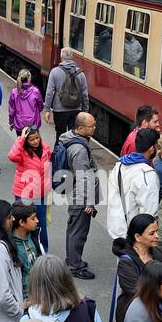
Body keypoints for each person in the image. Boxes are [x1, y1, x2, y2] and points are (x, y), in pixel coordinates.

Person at [58, 111, 99, 280]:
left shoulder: (69, 137)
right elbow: (84, 177)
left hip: (73, 190)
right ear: (80, 128)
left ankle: (71, 260)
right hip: (80, 196)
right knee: (78, 232)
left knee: (73, 228)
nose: (94, 128)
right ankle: (75, 266)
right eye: (92, 126)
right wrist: (89, 202)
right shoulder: (79, 150)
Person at [109, 127, 160, 234]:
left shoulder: (118, 167)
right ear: (151, 149)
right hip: (134, 235)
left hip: (116, 228)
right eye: (157, 146)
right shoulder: (147, 174)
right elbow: (149, 212)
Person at [8, 127, 51, 250]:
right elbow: (12, 156)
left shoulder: (45, 149)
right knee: (22, 224)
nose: (35, 141)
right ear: (26, 141)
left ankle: (42, 250)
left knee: (40, 223)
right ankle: (22, 249)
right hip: (24, 194)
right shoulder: (21, 151)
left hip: (40, 194)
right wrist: (21, 139)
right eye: (31, 139)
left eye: (37, 138)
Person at [44, 48, 89, 138]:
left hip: (59, 110)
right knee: (74, 136)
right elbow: (84, 94)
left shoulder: (55, 71)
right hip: (76, 109)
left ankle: (60, 151)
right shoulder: (81, 74)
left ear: (61, 57)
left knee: (60, 136)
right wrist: (85, 109)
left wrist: (47, 109)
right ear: (72, 57)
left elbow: (49, 92)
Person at [8, 202, 44, 297]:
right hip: (23, 297)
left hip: (39, 291)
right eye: (33, 218)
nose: (37, 220)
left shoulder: (34, 236)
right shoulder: (10, 246)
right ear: (22, 222)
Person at [8, 69, 44, 135]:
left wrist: (11, 122)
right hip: (33, 124)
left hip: (19, 123)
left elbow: (12, 110)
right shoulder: (35, 91)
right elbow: (40, 106)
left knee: (21, 144)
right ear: (29, 78)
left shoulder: (14, 92)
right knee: (32, 143)